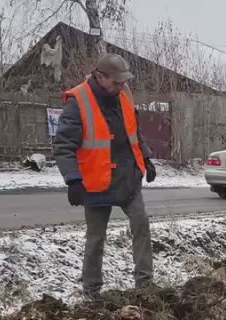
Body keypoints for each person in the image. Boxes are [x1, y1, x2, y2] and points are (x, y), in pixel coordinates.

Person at [54, 52, 158, 297]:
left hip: (127, 179)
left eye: (123, 82)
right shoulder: (77, 100)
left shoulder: (123, 94)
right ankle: (92, 291)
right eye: (116, 82)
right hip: (96, 182)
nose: (121, 86)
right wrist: (73, 180)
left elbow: (134, 131)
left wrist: (146, 158)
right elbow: (63, 145)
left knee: (141, 226)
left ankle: (145, 285)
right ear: (100, 77)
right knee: (96, 238)